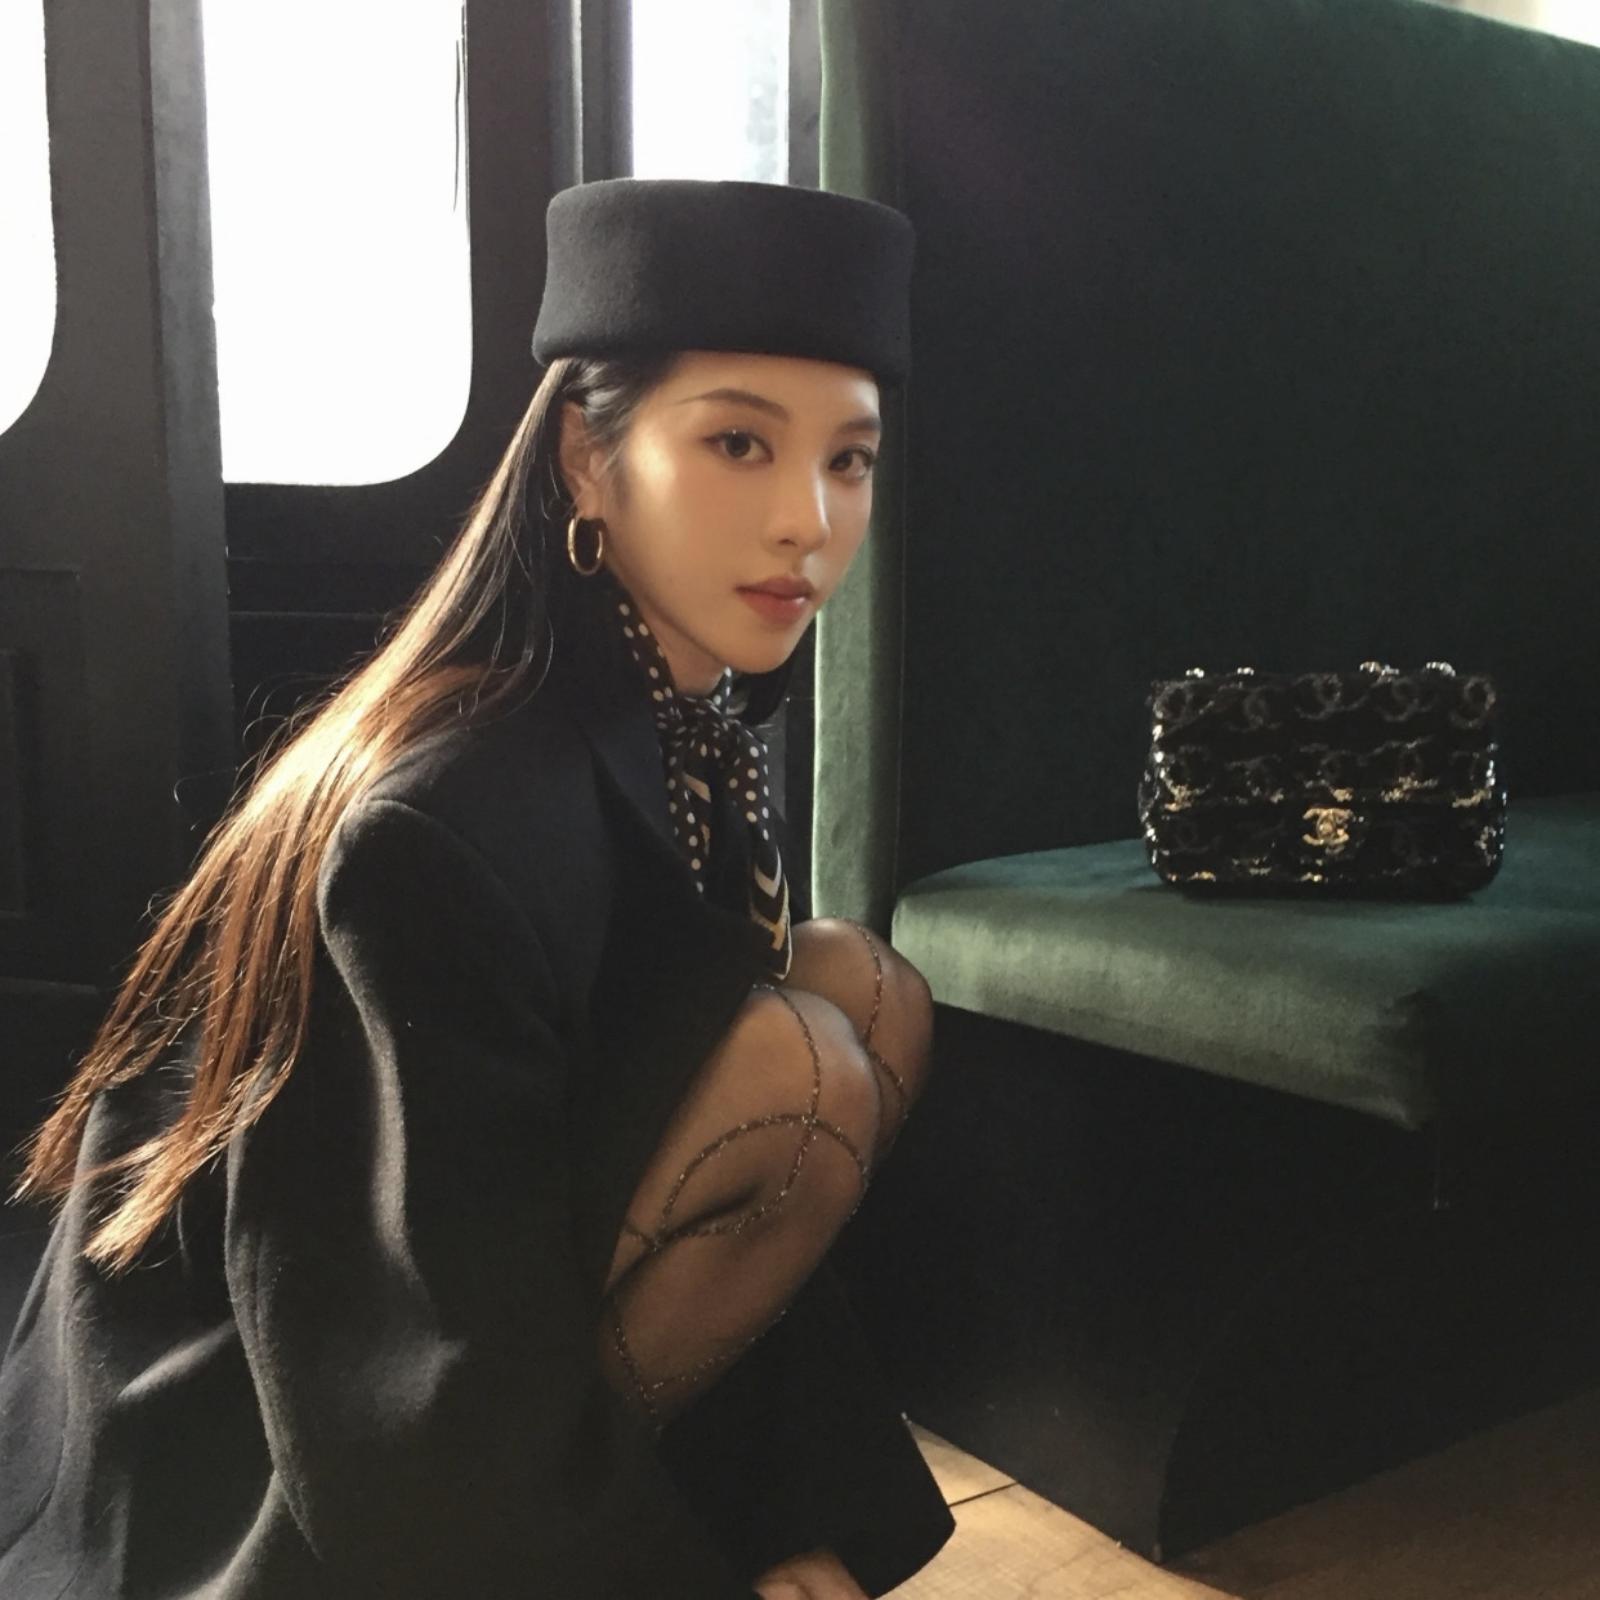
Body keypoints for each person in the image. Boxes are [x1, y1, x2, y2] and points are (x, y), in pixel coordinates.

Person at [0, 177, 956, 1598]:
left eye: (851, 459)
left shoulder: (662, 710)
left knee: (857, 991)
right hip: (248, 1420)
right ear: (586, 458)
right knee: (795, 1071)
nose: (806, 521)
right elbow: (379, 1335)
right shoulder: (448, 819)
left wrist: (786, 1515)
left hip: (462, 1278)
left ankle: (656, 1510)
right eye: (739, 443)